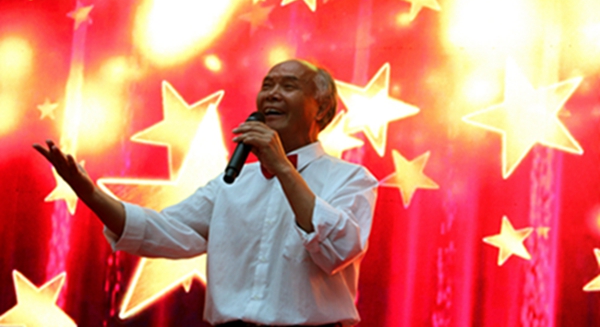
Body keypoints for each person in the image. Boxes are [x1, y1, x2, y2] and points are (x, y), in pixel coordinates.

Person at [33, 59, 378, 327]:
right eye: (267, 85)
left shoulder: (352, 179)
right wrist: (91, 194)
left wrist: (283, 168)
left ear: (322, 109)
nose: (272, 94)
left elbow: (337, 251)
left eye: (288, 86)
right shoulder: (233, 182)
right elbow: (162, 231)